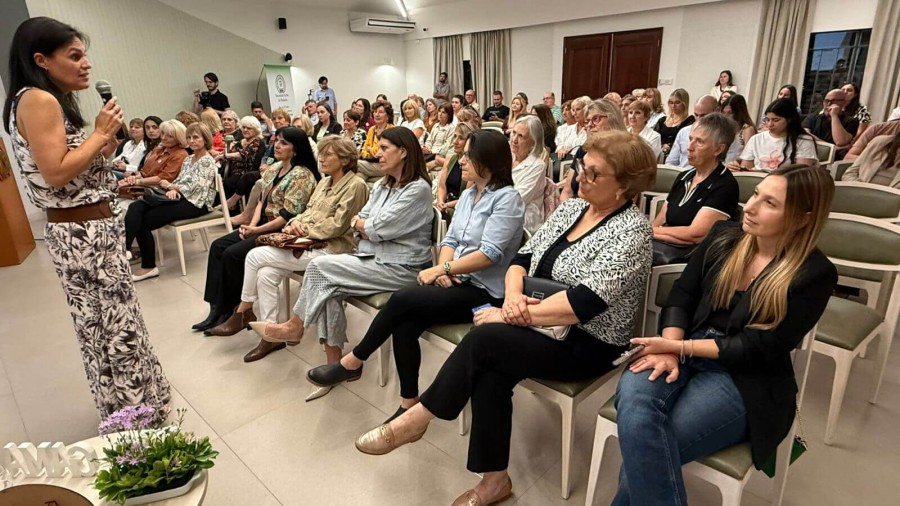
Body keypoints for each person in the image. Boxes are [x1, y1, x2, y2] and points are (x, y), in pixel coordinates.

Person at [353, 130, 657, 506]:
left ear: (624, 186)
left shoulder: (634, 232)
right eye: (582, 168)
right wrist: (512, 299)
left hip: (588, 341)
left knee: (485, 341)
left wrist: (512, 314)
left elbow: (583, 305)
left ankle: (419, 419)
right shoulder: (572, 209)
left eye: (594, 174)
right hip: (537, 321)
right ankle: (494, 480)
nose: (580, 178)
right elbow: (522, 260)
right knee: (490, 366)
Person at [612, 165, 837, 505]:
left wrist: (675, 345)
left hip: (744, 378)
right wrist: (670, 350)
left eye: (770, 203)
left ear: (803, 218)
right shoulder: (724, 236)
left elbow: (759, 347)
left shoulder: (814, 273)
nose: (751, 206)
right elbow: (681, 296)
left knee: (645, 448)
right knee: (637, 409)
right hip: (682, 349)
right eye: (757, 194)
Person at [3, 16, 170, 423]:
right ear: (41, 59)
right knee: (113, 326)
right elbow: (56, 171)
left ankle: (132, 407)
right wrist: (98, 135)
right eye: (74, 56)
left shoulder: (39, 100)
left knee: (106, 324)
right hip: (83, 237)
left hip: (85, 227)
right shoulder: (39, 100)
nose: (85, 64)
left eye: (85, 55)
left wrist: (109, 175)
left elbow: (68, 179)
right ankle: (136, 418)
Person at [307, 129, 525, 417]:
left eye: (468, 156)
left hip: (484, 292)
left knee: (401, 300)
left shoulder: (507, 199)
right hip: (455, 280)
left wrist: (442, 267)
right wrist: (442, 270)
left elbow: (489, 254)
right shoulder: (470, 194)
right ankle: (408, 401)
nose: (461, 161)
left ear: (488, 159)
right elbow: (450, 241)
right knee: (404, 324)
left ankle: (354, 360)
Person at [249, 128, 433, 387]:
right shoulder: (383, 185)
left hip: (402, 267)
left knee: (320, 268)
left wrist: (366, 227)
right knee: (327, 285)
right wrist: (365, 227)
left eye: (383, 148)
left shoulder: (418, 189)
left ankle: (295, 325)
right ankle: (336, 364)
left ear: (403, 152)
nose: (376, 154)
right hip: (372, 257)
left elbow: (374, 227)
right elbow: (359, 222)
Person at [238, 136, 370, 364]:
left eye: (329, 154)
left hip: (333, 250)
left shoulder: (356, 185)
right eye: (321, 153)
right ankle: (271, 333)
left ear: (345, 158)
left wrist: (304, 229)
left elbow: (338, 225)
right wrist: (293, 223)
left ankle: (243, 309)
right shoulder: (323, 183)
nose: (322, 158)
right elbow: (304, 213)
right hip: (307, 242)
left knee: (254, 255)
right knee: (265, 273)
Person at [194, 127, 318, 333]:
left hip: (281, 229)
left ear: (296, 149)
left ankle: (234, 311)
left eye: (284, 143)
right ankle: (215, 309)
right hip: (261, 225)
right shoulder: (275, 168)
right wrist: (251, 225)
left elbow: (286, 216)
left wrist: (256, 230)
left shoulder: (302, 175)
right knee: (217, 246)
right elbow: (262, 200)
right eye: (276, 140)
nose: (276, 145)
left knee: (233, 254)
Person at [125, 123, 219, 281]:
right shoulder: (189, 159)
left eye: (196, 137)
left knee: (143, 221)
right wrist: (173, 188)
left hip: (196, 204)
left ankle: (147, 266)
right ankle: (126, 247)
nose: (192, 140)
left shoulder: (207, 160)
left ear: (205, 139)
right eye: (189, 137)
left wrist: (173, 187)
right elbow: (182, 179)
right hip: (182, 197)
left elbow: (197, 187)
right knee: (137, 206)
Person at [651, 113, 740, 265]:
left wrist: (648, 232)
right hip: (665, 246)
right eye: (691, 139)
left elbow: (695, 235)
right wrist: (649, 231)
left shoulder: (724, 185)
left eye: (699, 142)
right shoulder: (684, 176)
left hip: (693, 260)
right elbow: (660, 219)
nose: (689, 147)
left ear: (718, 149)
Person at [560, 99, 628, 202]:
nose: (590, 125)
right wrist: (566, 212)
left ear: (612, 119)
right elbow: (567, 191)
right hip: (575, 208)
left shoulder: (626, 153)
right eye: (587, 121)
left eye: (596, 119)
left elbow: (626, 197)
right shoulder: (583, 150)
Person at [732, 98, 818, 171]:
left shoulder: (804, 141)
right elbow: (746, 169)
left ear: (789, 120)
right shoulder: (756, 139)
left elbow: (801, 174)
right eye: (767, 120)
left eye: (776, 120)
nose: (769, 124)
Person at [666, 96, 742, 168]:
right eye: (696, 115)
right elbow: (670, 162)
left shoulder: (730, 135)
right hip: (683, 175)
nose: (699, 120)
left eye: (703, 116)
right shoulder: (684, 132)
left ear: (717, 111)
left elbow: (729, 165)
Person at [118, 119, 188, 193]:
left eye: (169, 136)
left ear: (179, 138)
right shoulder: (159, 149)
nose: (163, 138)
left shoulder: (180, 154)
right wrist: (133, 178)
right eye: (162, 133)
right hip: (144, 184)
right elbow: (144, 172)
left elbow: (163, 178)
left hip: (158, 191)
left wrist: (137, 181)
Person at [509, 116, 547, 235]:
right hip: (499, 213)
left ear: (533, 143)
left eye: (521, 136)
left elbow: (516, 201)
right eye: (513, 133)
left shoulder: (537, 166)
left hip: (523, 223)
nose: (514, 139)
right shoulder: (507, 156)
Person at [802, 89, 859, 159]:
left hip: (835, 160)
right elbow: (805, 135)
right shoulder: (812, 118)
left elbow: (840, 141)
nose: (828, 105)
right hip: (812, 155)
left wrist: (834, 115)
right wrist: (832, 147)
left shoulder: (852, 121)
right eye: (826, 101)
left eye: (832, 101)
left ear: (843, 102)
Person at [221, 116, 265, 208]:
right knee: (221, 177)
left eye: (249, 128)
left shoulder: (257, 141)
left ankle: (229, 206)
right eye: (244, 127)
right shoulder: (240, 142)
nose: (245, 130)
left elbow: (245, 154)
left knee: (230, 182)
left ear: (256, 130)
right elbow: (229, 153)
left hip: (249, 171)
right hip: (235, 171)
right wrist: (221, 155)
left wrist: (228, 155)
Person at [435, 122, 477, 213]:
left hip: (461, 207)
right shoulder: (450, 159)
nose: (455, 141)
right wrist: (441, 202)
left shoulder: (472, 164)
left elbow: (467, 196)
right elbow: (442, 187)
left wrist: (446, 205)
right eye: (454, 136)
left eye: (461, 138)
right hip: (446, 204)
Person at [358, 100, 395, 182]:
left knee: (355, 164)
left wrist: (370, 150)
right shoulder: (372, 129)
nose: (377, 114)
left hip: (384, 164)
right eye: (375, 112)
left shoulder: (391, 130)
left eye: (381, 112)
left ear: (387, 116)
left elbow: (380, 153)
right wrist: (367, 154)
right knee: (359, 179)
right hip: (370, 163)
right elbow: (364, 149)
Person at [655, 89, 693, 159]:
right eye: (671, 102)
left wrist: (669, 146)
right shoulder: (662, 120)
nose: (673, 106)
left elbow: (685, 139)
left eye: (677, 102)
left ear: (684, 103)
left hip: (678, 155)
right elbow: (655, 136)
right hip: (659, 154)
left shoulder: (689, 121)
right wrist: (662, 145)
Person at [555, 96, 591, 160]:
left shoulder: (591, 130)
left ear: (587, 110)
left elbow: (588, 150)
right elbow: (559, 145)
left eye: (578, 109)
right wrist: (561, 149)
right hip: (565, 162)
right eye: (573, 110)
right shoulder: (569, 129)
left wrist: (572, 151)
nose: (574, 113)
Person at [423, 102, 455, 169]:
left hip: (440, 156)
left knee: (422, 167)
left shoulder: (451, 128)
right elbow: (429, 140)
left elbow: (447, 146)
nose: (440, 114)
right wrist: (427, 147)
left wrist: (431, 151)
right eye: (439, 111)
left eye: (443, 112)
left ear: (449, 115)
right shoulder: (436, 125)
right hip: (430, 154)